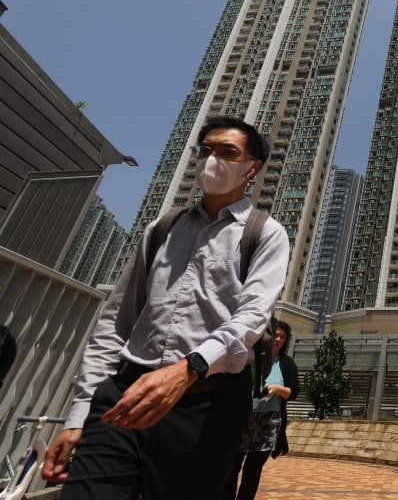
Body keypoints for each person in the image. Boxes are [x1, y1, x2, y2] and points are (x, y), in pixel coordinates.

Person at [42, 115, 289, 500]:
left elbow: (252, 318)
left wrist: (190, 368)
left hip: (207, 407)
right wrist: (79, 415)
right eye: (205, 150)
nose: (212, 160)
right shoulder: (163, 227)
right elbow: (115, 322)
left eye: (228, 152)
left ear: (252, 168)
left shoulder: (265, 234)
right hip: (126, 393)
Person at [222, 319, 299, 500]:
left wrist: (276, 389)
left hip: (268, 422)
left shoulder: (286, 364)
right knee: (232, 466)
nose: (278, 339)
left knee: (253, 469)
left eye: (282, 337)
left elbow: (293, 392)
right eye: (275, 335)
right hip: (243, 418)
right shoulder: (251, 358)